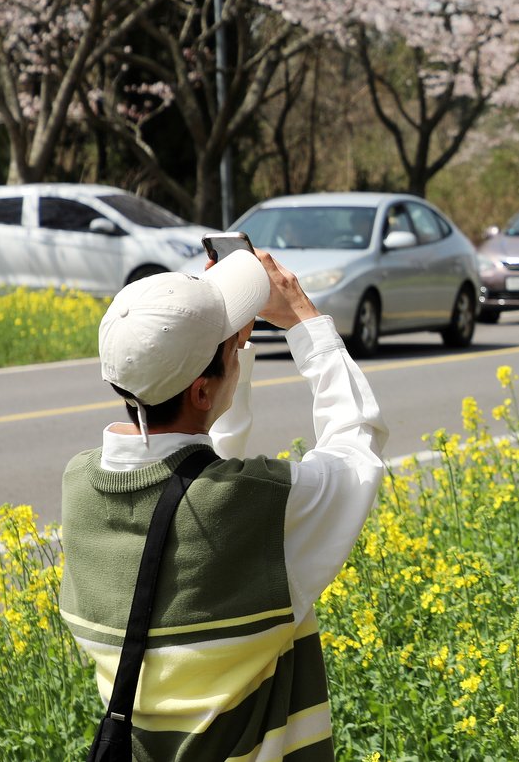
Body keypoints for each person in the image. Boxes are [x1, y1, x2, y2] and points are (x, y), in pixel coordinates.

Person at [59, 250, 388, 761]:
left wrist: (223, 347)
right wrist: (305, 319)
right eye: (230, 352)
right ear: (201, 391)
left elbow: (197, 484)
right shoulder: (253, 505)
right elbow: (356, 447)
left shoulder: (80, 484)